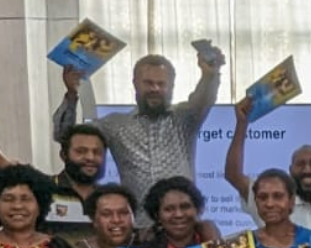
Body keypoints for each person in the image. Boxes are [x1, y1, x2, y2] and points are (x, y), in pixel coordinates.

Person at [53, 49, 221, 198]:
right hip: (137, 222)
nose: (155, 88)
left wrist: (210, 76)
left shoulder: (185, 118)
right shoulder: (115, 125)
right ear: (135, 83)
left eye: (161, 84)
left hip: (182, 219)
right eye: (148, 83)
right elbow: (64, 136)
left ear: (171, 86)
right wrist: (72, 95)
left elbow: (203, 98)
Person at [0, 102, 108, 245]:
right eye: (81, 151)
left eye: (97, 152)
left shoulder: (110, 197)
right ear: (63, 155)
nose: (90, 157)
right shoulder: (43, 188)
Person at [224, 97, 311, 234]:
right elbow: (233, 175)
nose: (307, 169)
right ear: (290, 170)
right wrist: (242, 124)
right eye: (300, 164)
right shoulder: (272, 203)